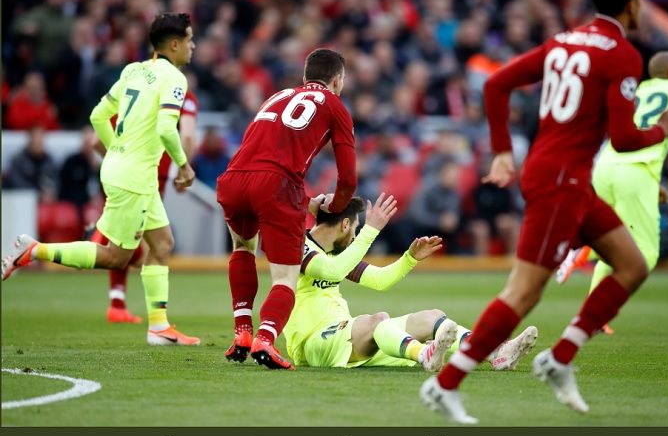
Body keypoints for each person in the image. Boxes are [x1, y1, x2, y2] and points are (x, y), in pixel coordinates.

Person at [419, 0, 668, 424]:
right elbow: (625, 139)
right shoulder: (621, 54)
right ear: (630, 3)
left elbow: (497, 83)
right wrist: (664, 129)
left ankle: (560, 357)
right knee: (523, 293)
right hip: (560, 181)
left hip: (569, 178)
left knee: (631, 265)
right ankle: (444, 386)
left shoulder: (564, 41)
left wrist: (504, 151)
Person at [2, 13, 200, 347]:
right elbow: (167, 129)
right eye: (190, 40)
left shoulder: (132, 70)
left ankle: (158, 327)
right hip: (134, 176)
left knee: (162, 244)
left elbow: (97, 115)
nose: (194, 46)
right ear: (175, 44)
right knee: (115, 256)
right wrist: (183, 165)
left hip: (127, 170)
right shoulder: (175, 79)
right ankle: (35, 250)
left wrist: (117, 150)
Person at [283, 194, 538, 372]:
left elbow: (379, 280)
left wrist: (409, 258)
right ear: (346, 224)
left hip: (346, 338)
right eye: (356, 228)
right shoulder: (298, 248)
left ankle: (495, 353)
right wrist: (372, 230)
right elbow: (332, 270)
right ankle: (423, 354)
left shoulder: (339, 254)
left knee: (433, 317)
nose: (355, 235)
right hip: (313, 345)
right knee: (377, 321)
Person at [218, 48, 357, 370]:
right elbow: (348, 178)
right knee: (284, 279)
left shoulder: (278, 96)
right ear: (337, 80)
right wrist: (333, 209)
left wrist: (302, 199)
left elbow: (265, 153)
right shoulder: (335, 106)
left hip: (234, 178)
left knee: (242, 248)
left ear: (306, 76)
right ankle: (265, 339)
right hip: (276, 186)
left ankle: (242, 331)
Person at [555, 51, 668, 334]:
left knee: (617, 236)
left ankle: (595, 314)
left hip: (606, 164)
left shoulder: (640, 90)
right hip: (636, 168)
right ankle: (585, 250)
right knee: (644, 255)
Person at [90, 86, 198, 324]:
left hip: (118, 175)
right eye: (188, 45)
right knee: (156, 246)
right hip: (147, 178)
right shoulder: (180, 92)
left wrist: (121, 157)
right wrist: (184, 167)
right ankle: (158, 323)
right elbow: (188, 136)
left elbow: (96, 142)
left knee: (134, 243)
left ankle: (118, 302)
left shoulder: (134, 89)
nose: (190, 46)